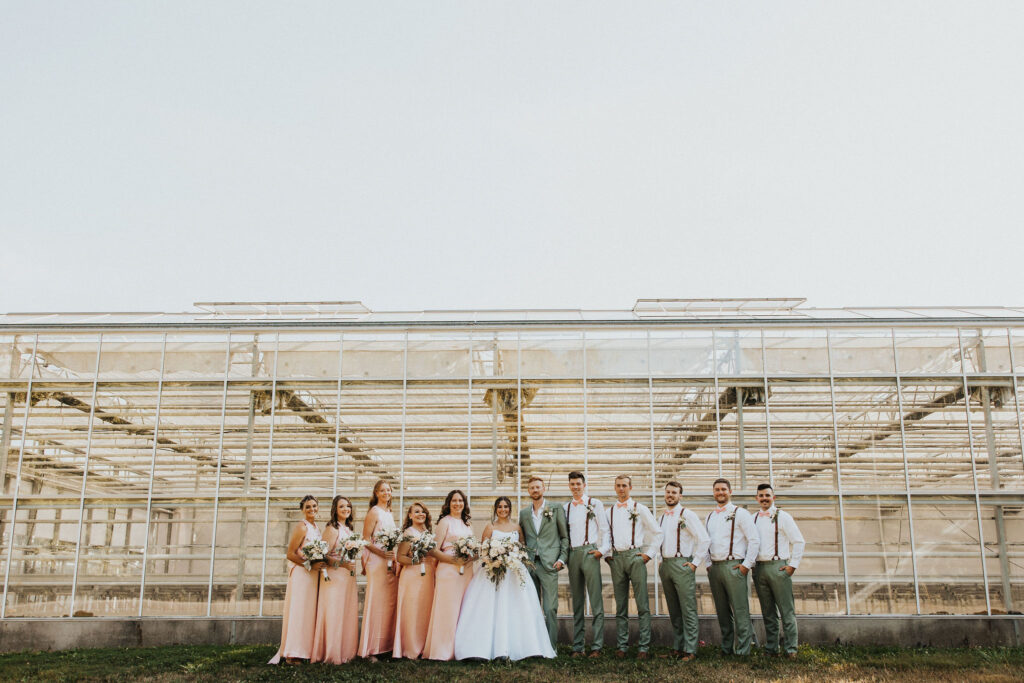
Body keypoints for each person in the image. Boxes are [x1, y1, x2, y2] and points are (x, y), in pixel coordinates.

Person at [454, 497, 557, 660]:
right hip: (493, 572)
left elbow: (522, 546)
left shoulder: (517, 527)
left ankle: (526, 647)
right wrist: (495, 559)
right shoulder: (490, 527)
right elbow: (483, 550)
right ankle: (484, 648)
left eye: (506, 506)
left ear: (510, 509)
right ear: (495, 509)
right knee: (489, 609)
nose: (503, 509)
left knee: (518, 608)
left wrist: (516, 556)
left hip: (514, 572)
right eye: (500, 507)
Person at [605, 475, 662, 659]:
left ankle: (643, 647)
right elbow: (603, 535)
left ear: (631, 487)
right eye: (618, 486)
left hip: (635, 556)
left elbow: (657, 532)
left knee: (642, 603)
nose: (621, 489)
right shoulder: (609, 512)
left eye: (624, 486)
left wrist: (648, 554)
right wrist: (607, 556)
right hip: (617, 558)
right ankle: (622, 645)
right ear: (614, 488)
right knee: (620, 605)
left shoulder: (640, 508)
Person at [702, 478, 759, 656]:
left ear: (730, 491)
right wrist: (709, 564)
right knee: (722, 610)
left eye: (723, 489)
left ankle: (743, 650)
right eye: (717, 490)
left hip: (735, 566)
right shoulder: (710, 516)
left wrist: (746, 566)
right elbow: (705, 541)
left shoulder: (740, 513)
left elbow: (754, 540)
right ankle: (726, 648)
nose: (720, 492)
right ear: (713, 493)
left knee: (740, 609)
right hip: (716, 568)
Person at [656, 481, 710, 661]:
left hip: (682, 564)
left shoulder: (688, 515)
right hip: (666, 565)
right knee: (674, 609)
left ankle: (691, 649)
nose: (670, 495)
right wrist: (660, 559)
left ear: (680, 496)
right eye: (668, 492)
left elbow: (704, 539)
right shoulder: (662, 517)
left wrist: (694, 563)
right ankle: (678, 647)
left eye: (674, 492)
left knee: (687, 608)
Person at [752, 483, 805, 659]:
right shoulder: (753, 518)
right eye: (761, 495)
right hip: (759, 569)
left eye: (767, 495)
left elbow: (798, 541)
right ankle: (771, 648)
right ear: (757, 498)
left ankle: (791, 649)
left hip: (778, 566)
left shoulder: (783, 516)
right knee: (767, 611)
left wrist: (792, 566)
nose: (764, 498)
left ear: (773, 497)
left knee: (786, 611)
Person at [269, 495, 324, 664]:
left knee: (308, 613)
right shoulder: (302, 527)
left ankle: (304, 650)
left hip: (313, 576)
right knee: (299, 612)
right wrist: (309, 564)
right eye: (308, 507)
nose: (311, 509)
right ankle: (292, 654)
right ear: (302, 509)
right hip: (302, 574)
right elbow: (290, 553)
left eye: (314, 506)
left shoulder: (316, 527)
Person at [518, 475, 568, 650]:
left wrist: (561, 559)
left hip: (549, 565)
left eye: (538, 487)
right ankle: (532, 646)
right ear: (528, 491)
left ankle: (551, 647)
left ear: (544, 488)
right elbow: (521, 539)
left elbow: (564, 537)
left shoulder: (556, 508)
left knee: (550, 608)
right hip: (530, 565)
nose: (535, 490)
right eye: (532, 488)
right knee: (530, 607)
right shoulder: (524, 513)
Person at [423, 489, 474, 660]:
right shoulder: (445, 522)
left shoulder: (467, 525)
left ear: (464, 504)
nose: (457, 504)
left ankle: (460, 649)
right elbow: (432, 550)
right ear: (448, 503)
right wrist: (453, 561)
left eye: (460, 501)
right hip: (448, 570)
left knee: (463, 610)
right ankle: (442, 651)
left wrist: (471, 556)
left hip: (466, 571)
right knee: (447, 610)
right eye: (454, 501)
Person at [563, 470, 609, 657]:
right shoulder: (565, 507)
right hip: (573, 554)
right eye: (572, 484)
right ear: (569, 486)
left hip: (590, 552)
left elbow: (605, 529)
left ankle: (597, 646)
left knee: (596, 600)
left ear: (584, 485)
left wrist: (601, 550)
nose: (575, 487)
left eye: (578, 484)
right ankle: (578, 646)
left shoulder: (594, 503)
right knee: (577, 600)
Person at [311, 495, 360, 664]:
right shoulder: (332, 529)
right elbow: (322, 554)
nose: (346, 509)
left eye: (348, 506)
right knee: (334, 613)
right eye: (342, 507)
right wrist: (342, 563)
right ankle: (331, 653)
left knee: (345, 612)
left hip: (347, 577)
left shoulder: (349, 529)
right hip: (334, 576)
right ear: (335, 510)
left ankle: (346, 651)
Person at [358, 479, 399, 661]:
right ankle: (370, 649)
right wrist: (383, 554)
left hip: (389, 562)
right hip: (377, 561)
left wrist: (392, 557)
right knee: (376, 601)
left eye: (388, 490)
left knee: (388, 603)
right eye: (382, 490)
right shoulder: (374, 512)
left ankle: (385, 646)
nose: (386, 493)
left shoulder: (389, 513)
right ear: (376, 493)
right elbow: (366, 540)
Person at [393, 502, 436, 659]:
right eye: (416, 512)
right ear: (410, 515)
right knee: (412, 611)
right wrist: (416, 561)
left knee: (425, 611)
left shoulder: (428, 533)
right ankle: (410, 649)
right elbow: (400, 557)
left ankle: (424, 646)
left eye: (423, 511)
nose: (421, 514)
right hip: (412, 576)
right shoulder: (408, 533)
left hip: (428, 575)